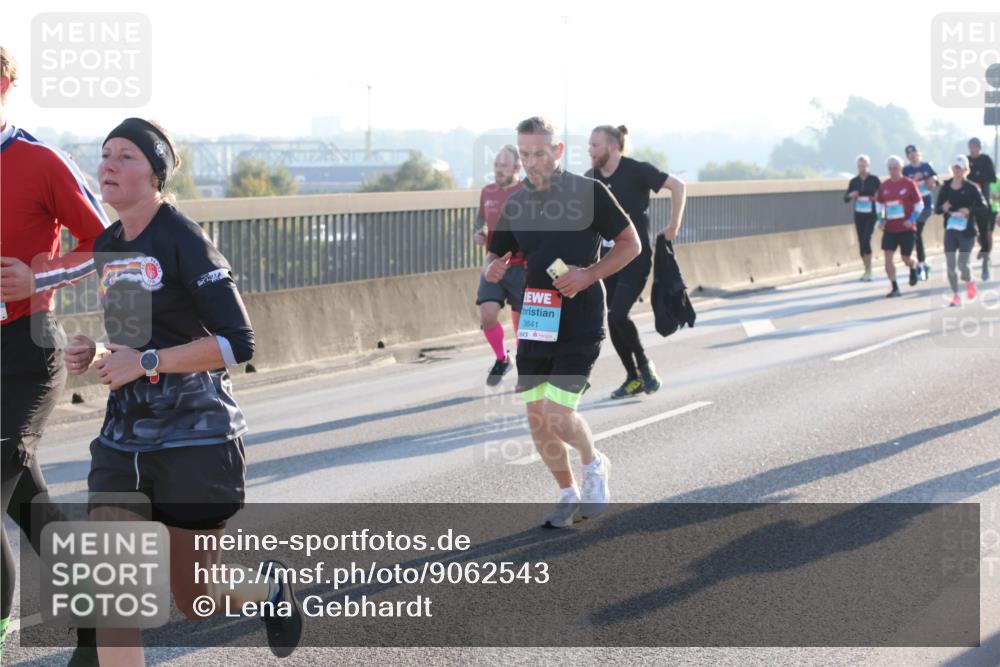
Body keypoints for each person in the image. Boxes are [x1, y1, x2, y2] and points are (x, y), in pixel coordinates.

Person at [63, 118, 302, 664]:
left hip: (196, 439)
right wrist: (98, 354)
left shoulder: (183, 238)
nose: (108, 165)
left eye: (126, 156)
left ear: (155, 174)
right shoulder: (109, 243)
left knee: (196, 599)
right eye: (105, 154)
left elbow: (238, 342)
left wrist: (145, 360)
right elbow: (132, 338)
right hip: (123, 441)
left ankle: (267, 590)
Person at [0, 46, 109, 665]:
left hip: (26, 348)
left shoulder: (40, 161)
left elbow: (103, 243)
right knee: (31, 507)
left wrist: (37, 278)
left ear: (4, 83)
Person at [484, 116, 640, 528]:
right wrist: (493, 270)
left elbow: (631, 244)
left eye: (539, 153)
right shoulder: (515, 202)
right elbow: (495, 254)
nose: (531, 162)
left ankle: (593, 463)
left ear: (557, 152)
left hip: (581, 317)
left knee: (557, 413)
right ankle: (567, 491)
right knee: (537, 419)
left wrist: (589, 274)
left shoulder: (589, 193)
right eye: (524, 154)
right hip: (535, 315)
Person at [585, 125, 686, 399]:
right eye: (589, 145)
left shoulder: (636, 170)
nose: (589, 150)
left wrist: (673, 226)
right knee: (612, 318)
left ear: (612, 147)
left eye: (595, 145)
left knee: (619, 313)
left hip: (636, 257)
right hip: (607, 261)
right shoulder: (590, 179)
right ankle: (633, 377)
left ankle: (644, 366)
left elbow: (678, 185)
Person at [474, 146, 525, 386]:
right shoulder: (488, 191)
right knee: (488, 313)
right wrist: (479, 233)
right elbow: (480, 220)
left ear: (517, 168)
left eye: (504, 166)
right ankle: (502, 358)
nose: (498, 170)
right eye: (496, 165)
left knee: (522, 324)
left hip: (522, 266)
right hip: (493, 262)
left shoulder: (527, 191)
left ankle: (527, 368)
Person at [935, 155, 989, 306]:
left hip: (967, 231)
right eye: (955, 168)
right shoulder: (946, 187)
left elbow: (983, 207)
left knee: (963, 264)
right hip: (951, 230)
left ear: (966, 170)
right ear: (951, 169)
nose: (957, 171)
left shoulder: (971, 187)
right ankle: (956, 295)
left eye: (960, 168)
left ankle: (970, 280)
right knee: (950, 264)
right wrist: (942, 208)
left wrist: (969, 210)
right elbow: (937, 209)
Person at [875, 155, 923, 298]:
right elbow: (879, 204)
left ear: (901, 168)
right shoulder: (884, 186)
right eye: (890, 169)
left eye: (895, 168)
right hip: (890, 228)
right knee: (887, 258)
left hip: (906, 228)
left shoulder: (909, 184)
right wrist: (881, 219)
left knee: (905, 258)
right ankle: (895, 287)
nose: (893, 171)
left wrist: (912, 219)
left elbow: (919, 204)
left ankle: (914, 267)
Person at [902, 145, 937, 281]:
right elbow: (903, 188)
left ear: (918, 154)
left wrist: (929, 180)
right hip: (913, 207)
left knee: (917, 232)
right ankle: (923, 263)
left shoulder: (926, 166)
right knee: (916, 235)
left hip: (926, 206)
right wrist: (913, 181)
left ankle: (921, 264)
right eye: (909, 154)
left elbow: (933, 182)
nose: (912, 156)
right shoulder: (906, 170)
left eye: (914, 153)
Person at [844, 154, 881, 281]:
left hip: (872, 214)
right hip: (859, 214)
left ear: (868, 166)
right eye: (860, 166)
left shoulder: (874, 180)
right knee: (861, 241)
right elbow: (845, 198)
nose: (862, 168)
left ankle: (870, 269)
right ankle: (866, 270)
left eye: (864, 166)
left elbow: (882, 198)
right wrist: (851, 195)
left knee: (866, 238)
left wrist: (882, 217)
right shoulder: (854, 181)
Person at [967, 137, 997, 280]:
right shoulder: (966, 161)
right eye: (970, 146)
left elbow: (991, 178)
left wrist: (977, 178)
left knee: (987, 233)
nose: (972, 148)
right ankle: (985, 251)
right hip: (970, 203)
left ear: (979, 147)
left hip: (985, 202)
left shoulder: (986, 160)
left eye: (974, 146)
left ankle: (986, 260)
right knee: (976, 233)